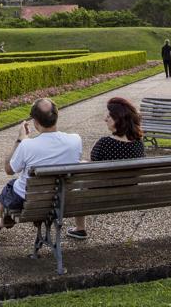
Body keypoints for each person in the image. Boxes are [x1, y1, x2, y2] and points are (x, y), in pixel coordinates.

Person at [0, 98, 82, 237]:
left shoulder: (27, 145)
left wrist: (20, 139)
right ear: (56, 116)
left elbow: (8, 169)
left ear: (35, 121)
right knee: (14, 188)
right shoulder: (75, 140)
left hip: (30, 202)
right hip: (63, 199)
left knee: (11, 187)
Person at [67, 97, 145, 239]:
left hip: (102, 194)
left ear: (118, 120)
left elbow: (93, 167)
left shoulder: (105, 143)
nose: (105, 119)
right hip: (130, 191)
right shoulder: (138, 143)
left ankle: (80, 228)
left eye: (109, 116)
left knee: (79, 181)